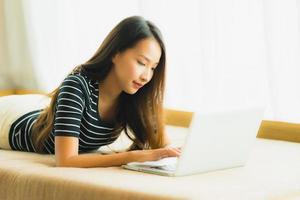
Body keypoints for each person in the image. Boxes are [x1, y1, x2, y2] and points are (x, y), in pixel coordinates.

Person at [0, 16, 181, 167]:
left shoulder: (135, 94)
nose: (146, 76)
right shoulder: (77, 86)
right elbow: (65, 161)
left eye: (153, 68)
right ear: (115, 53)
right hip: (8, 123)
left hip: (36, 111)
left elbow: (164, 145)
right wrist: (133, 157)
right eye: (141, 63)